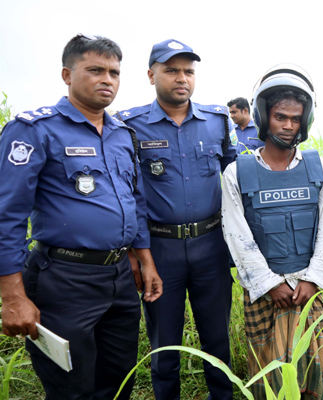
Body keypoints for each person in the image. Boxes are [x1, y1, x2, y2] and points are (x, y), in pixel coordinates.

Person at [0, 34, 162, 399]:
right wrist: (12, 297)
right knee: (70, 386)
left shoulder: (123, 134)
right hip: (64, 279)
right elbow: (5, 215)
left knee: (118, 379)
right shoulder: (35, 130)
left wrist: (144, 259)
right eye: (95, 70)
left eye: (114, 72)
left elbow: (134, 201)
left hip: (119, 277)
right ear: (67, 74)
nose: (107, 79)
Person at [116, 39, 237, 400]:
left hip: (211, 246)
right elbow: (128, 194)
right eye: (171, 70)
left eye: (188, 71)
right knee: (163, 345)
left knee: (217, 340)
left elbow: (233, 181)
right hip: (160, 250)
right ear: (151, 75)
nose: (181, 78)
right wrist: (136, 254)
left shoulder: (217, 121)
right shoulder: (130, 125)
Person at [221, 64, 323, 399]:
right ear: (263, 116)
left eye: (295, 119)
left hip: (307, 288)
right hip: (265, 291)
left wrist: (312, 279)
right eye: (280, 117)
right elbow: (237, 233)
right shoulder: (237, 172)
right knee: (267, 373)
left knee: (311, 367)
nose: (288, 126)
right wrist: (270, 284)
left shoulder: (319, 167)